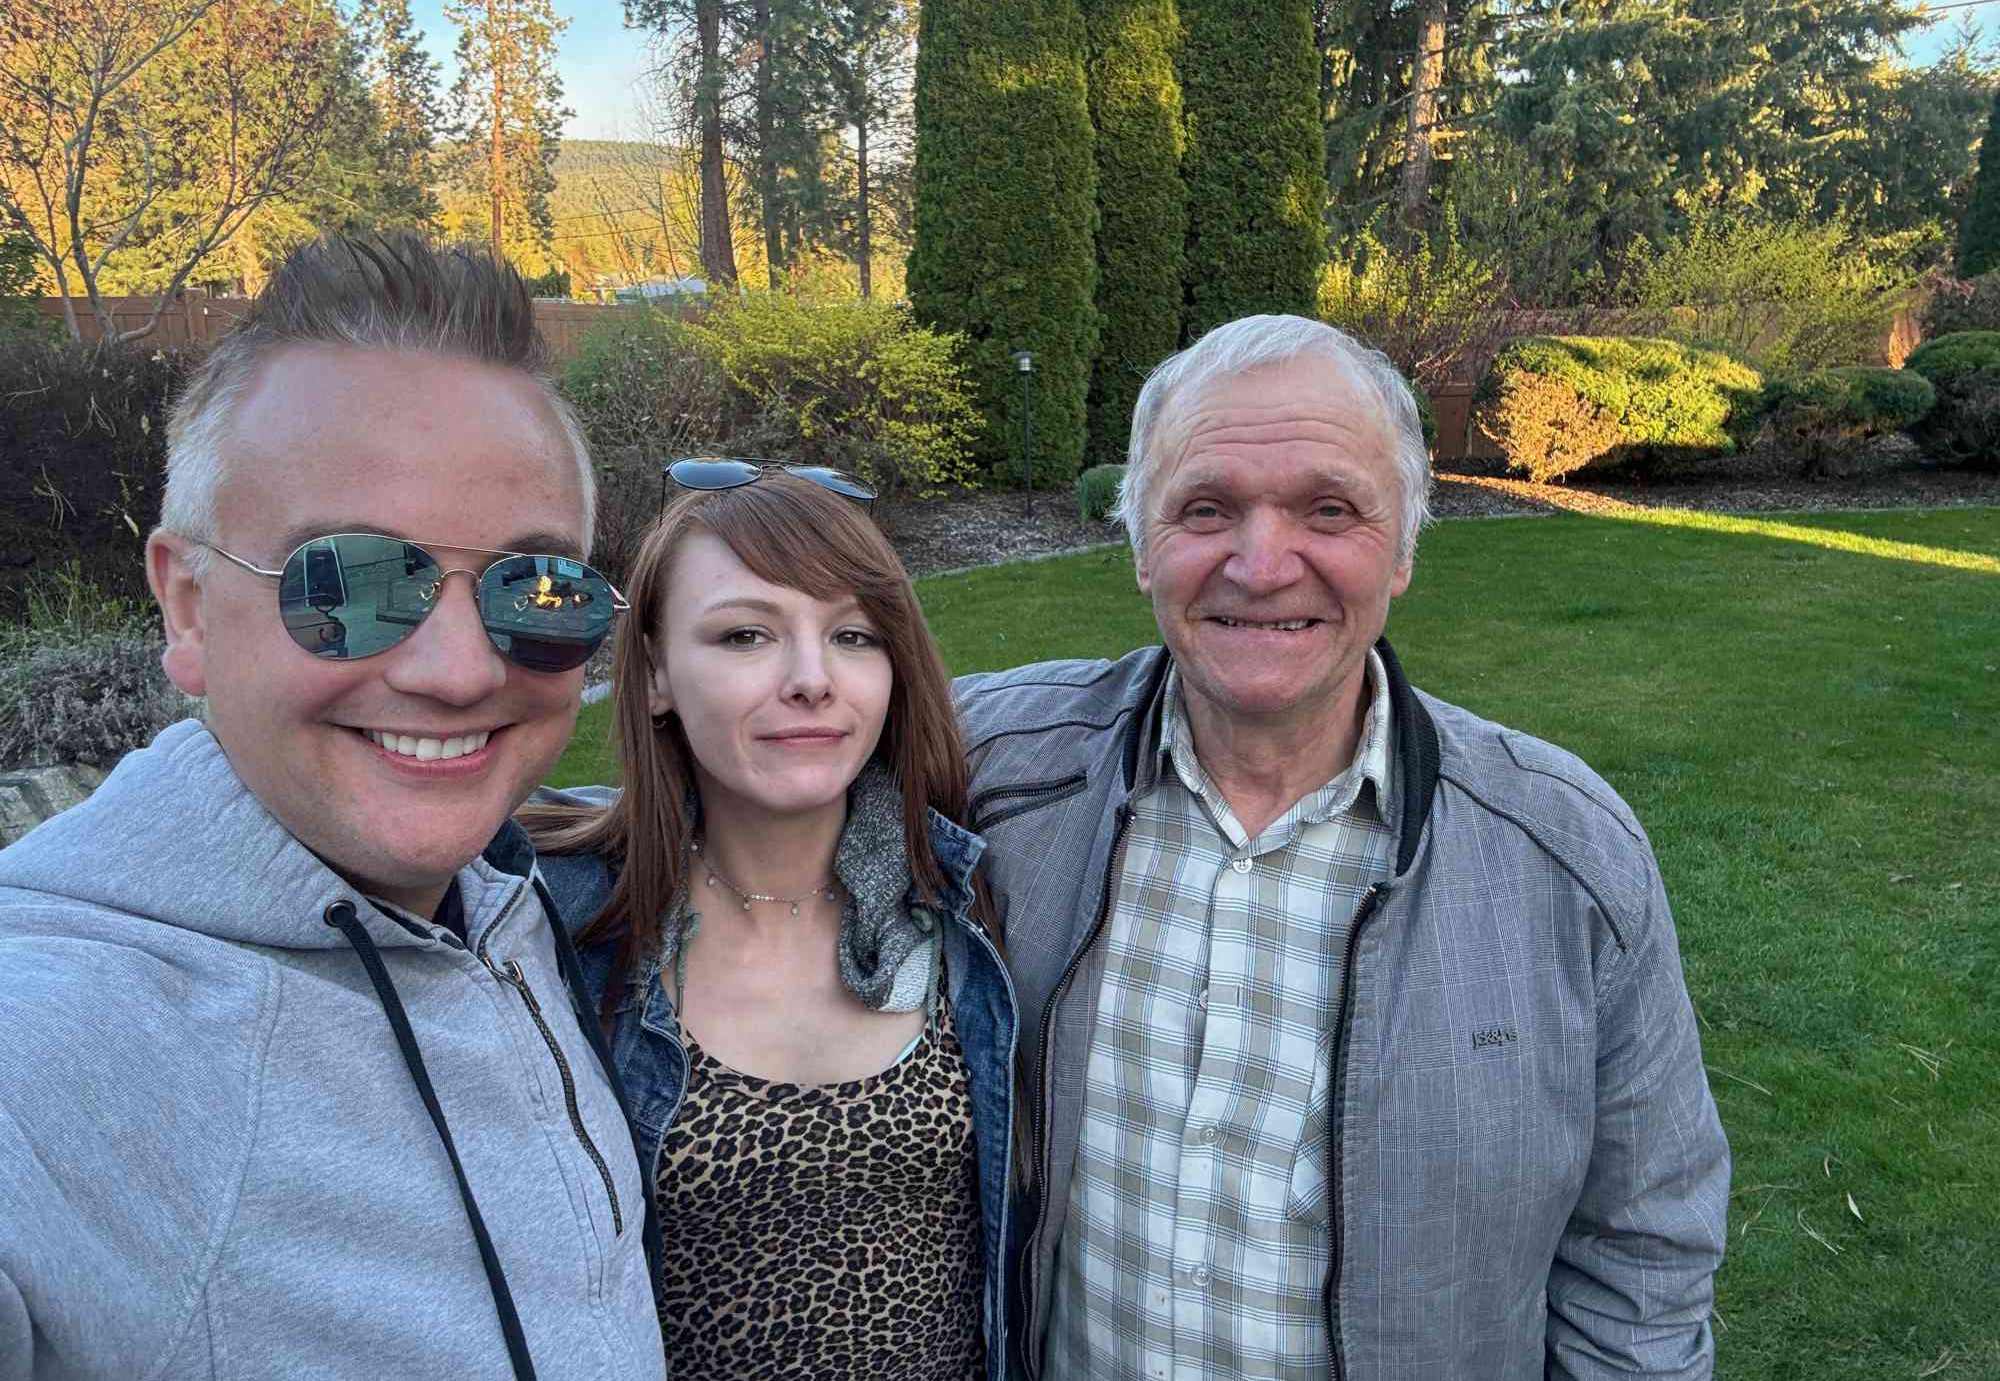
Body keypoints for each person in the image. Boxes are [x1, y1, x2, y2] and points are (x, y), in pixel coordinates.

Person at [956, 314, 1732, 1380]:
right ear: (1139, 543)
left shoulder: (1565, 856)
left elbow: (1642, 1257)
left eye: (1328, 510)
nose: (1260, 564)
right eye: (1205, 509)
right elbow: (755, 775)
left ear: (1402, 548)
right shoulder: (993, 769)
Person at [0, 234, 664, 1380]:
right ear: (187, 607)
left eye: (534, 589)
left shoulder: (500, 908)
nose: (459, 672)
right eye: (350, 583)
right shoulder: (62, 1040)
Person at [526, 461, 1019, 1381]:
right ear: (656, 673)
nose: (811, 680)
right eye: (746, 634)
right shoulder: (553, 922)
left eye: (854, 635)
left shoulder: (967, 904)